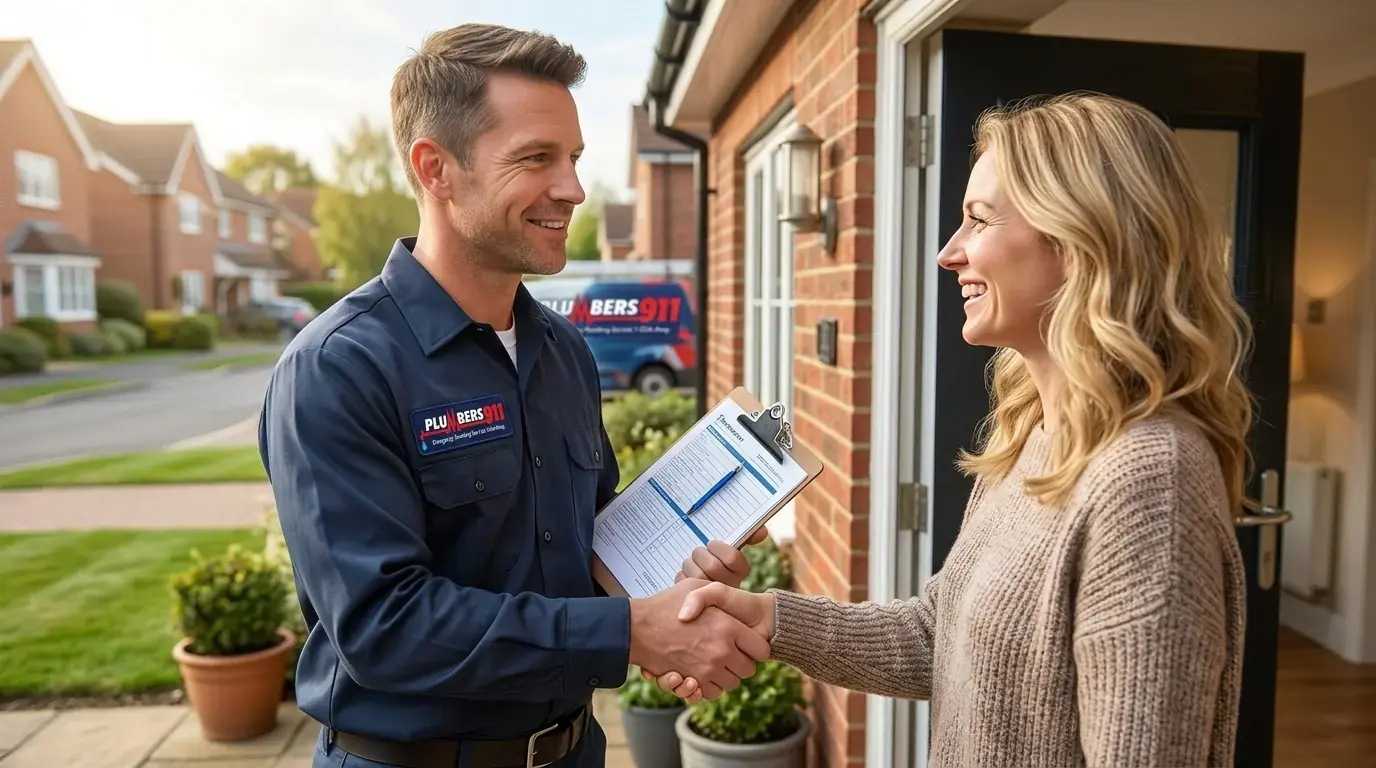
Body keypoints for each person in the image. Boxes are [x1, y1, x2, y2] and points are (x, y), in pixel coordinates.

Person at [656, 92, 1253, 767]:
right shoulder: (1036, 439)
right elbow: (937, 634)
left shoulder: (1150, 479)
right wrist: (766, 618)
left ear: (1084, 236)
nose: (949, 253)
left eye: (979, 220)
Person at [259, 23, 769, 768]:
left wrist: (674, 574)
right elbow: (382, 628)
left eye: (574, 158)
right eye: (536, 158)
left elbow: (582, 554)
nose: (572, 188)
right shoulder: (338, 368)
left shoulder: (562, 352)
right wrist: (631, 632)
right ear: (436, 168)